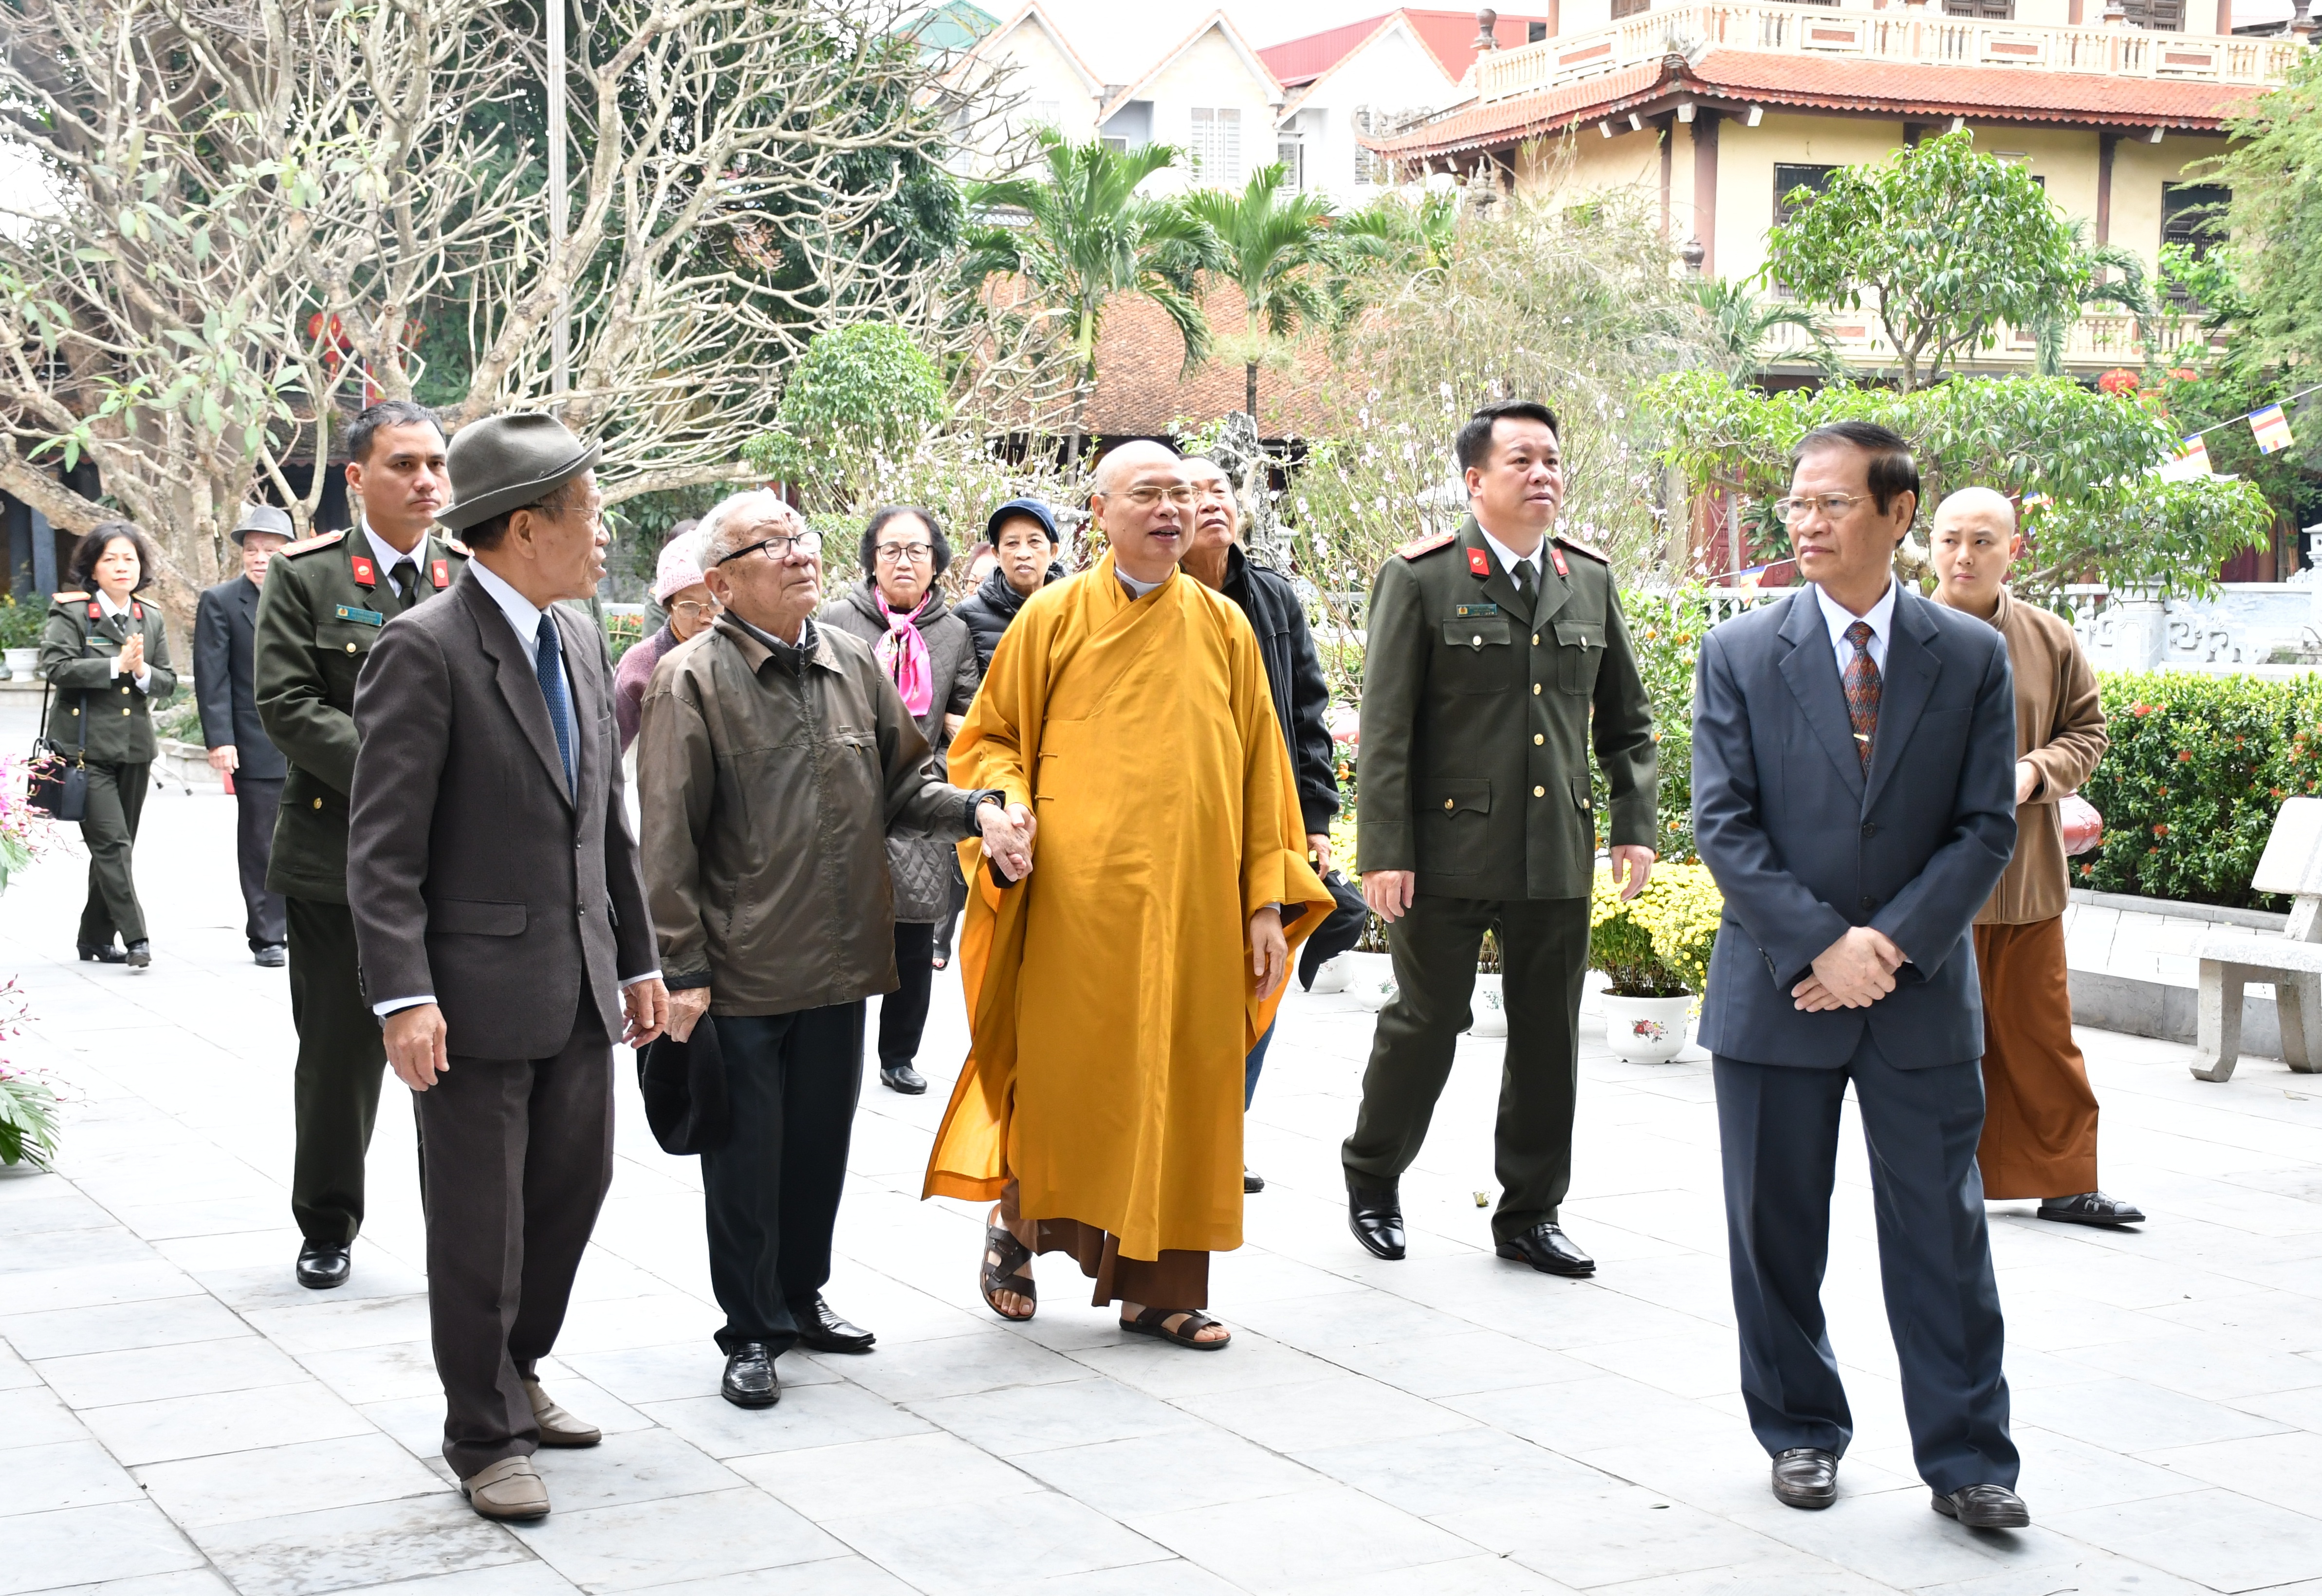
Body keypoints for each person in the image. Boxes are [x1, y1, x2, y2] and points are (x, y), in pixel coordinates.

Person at [924, 441, 1335, 1351]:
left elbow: (1268, 771)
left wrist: (1265, 899)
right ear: (1097, 513)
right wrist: (1008, 807)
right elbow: (989, 739)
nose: (1171, 510)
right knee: (1068, 1076)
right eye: (1147, 493)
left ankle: (1161, 1289)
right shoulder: (1053, 617)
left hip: (1194, 904)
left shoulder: (1224, 628)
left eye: (1184, 495)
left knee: (1185, 1085)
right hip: (1076, 898)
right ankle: (1018, 1228)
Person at [1691, 421, 2027, 1529]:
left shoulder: (1967, 656)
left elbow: (1983, 825)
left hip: (1916, 993)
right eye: (1796, 504)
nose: (1805, 523)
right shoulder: (1739, 649)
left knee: (1943, 1233)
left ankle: (1969, 1457)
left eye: (1832, 504)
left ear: (1896, 515)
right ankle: (1798, 1430)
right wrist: (1819, 945)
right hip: (1779, 989)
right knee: (1772, 1228)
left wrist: (1883, 948)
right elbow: (1722, 824)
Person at [637, 490, 1032, 1409]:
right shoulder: (690, 680)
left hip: (840, 957)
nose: (799, 554)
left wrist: (975, 808)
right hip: (741, 969)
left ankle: (801, 1295)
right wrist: (683, 970)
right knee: (745, 1155)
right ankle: (748, 1327)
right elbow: (666, 842)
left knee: (819, 1141)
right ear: (723, 581)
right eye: (770, 545)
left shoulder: (850, 661)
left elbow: (906, 785)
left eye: (802, 538)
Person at [347, 412, 668, 1523]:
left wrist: (638, 960)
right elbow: (381, 851)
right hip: (471, 998)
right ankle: (481, 1434)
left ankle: (521, 1368)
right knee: (480, 1223)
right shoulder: (425, 649)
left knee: (572, 1193)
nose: (599, 529)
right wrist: (404, 995)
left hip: (579, 981)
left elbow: (604, 825)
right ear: (528, 527)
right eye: (586, 510)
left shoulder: (576, 633)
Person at [1344, 401, 1658, 1276]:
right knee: (1426, 1020)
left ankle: (1530, 1211)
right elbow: (1388, 726)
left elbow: (1627, 722)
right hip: (1444, 854)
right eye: (1522, 460)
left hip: (1554, 848)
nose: (1543, 474)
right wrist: (1385, 849)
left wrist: (1635, 822)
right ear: (1475, 480)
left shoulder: (1588, 577)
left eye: (1553, 459)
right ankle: (1373, 1172)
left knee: (1549, 1036)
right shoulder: (1422, 577)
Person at [256, 399, 471, 1291]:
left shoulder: (465, 574)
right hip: (337, 858)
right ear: (356, 477)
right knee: (341, 1052)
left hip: (455, 867)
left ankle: (460, 1224)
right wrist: (401, 776)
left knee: (458, 1056)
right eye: (403, 464)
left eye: (435, 463)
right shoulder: (307, 577)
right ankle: (329, 1220)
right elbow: (288, 704)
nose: (426, 481)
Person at [1929, 488, 2139, 1228]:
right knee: (1931, 1049)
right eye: (1949, 538)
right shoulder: (1892, 632)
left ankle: (2066, 1181)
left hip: (2020, 880)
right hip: (1918, 890)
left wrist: (2031, 773)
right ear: (1925, 543)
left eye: (1982, 540)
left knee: (2041, 1038)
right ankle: (1935, 1180)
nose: (1963, 555)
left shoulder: (2048, 637)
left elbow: (2087, 732)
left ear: (2013, 550)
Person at [1180, 458, 1340, 1194]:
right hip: (1181, 823)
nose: (1211, 504)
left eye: (1221, 491)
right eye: (1192, 494)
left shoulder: (1272, 598)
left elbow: (1308, 715)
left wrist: (1315, 819)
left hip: (1264, 820)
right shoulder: (1145, 601)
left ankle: (1222, 1130)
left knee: (1258, 977)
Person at [818, 506, 983, 1095]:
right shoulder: (835, 619)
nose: (904, 561)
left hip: (919, 791)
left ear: (936, 562)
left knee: (913, 935)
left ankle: (899, 1054)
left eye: (917, 550)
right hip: (843, 793)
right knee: (841, 925)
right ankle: (836, 1049)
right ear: (871, 560)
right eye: (891, 550)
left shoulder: (953, 631)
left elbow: (966, 715)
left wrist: (931, 773)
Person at [40, 522, 176, 970]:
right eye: (111, 559)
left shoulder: (149, 616)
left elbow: (167, 680)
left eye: (130, 559)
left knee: (116, 847)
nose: (122, 567)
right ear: (93, 568)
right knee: (113, 844)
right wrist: (116, 665)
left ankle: (94, 937)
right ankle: (137, 937)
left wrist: (140, 674)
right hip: (84, 750)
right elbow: (56, 666)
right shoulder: (73, 612)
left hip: (135, 749)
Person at [196, 505, 295, 967]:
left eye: (270, 550)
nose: (260, 558)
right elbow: (212, 677)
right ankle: (267, 934)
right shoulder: (221, 602)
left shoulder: (305, 595)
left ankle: (306, 924)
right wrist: (220, 740)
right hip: (254, 741)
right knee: (261, 841)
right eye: (252, 550)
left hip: (309, 741)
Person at [615, 533, 717, 755]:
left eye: (714, 603)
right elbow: (610, 751)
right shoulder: (640, 665)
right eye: (690, 606)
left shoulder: (743, 652)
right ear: (669, 608)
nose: (705, 616)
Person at [953, 496, 1065, 671]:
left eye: (1034, 542)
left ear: (1053, 552)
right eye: (1012, 543)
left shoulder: (1075, 610)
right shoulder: (967, 615)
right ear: (996, 554)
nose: (1023, 553)